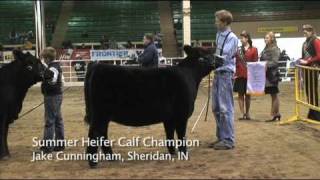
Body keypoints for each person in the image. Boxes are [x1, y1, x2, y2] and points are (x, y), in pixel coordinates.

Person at [209, 10, 238, 150]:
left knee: (225, 107)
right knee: (216, 108)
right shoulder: (218, 35)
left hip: (225, 74)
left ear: (225, 22)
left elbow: (224, 57)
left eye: (217, 20)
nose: (215, 22)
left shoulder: (232, 38)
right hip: (218, 73)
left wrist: (208, 60)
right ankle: (221, 137)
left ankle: (228, 140)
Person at [40, 47, 65, 153]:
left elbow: (53, 81)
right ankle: (59, 144)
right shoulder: (55, 66)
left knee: (49, 121)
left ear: (47, 58)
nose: (43, 60)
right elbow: (60, 81)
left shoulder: (52, 68)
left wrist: (46, 78)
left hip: (52, 96)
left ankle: (47, 147)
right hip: (57, 96)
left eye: (44, 58)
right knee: (58, 120)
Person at [234, 31, 258, 120]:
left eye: (243, 37)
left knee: (248, 95)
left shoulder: (254, 49)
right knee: (240, 94)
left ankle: (247, 113)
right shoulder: (238, 50)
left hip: (249, 75)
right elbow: (235, 62)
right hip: (240, 74)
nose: (241, 39)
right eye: (241, 37)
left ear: (247, 38)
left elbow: (255, 62)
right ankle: (241, 113)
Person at [299, 24, 320, 121]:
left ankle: (316, 114)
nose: (305, 32)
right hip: (306, 69)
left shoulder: (316, 40)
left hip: (313, 69)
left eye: (307, 30)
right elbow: (304, 56)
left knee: (313, 91)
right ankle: (312, 113)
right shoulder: (304, 43)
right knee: (308, 91)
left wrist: (307, 61)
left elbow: (319, 56)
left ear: (312, 31)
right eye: (304, 31)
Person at [260, 32, 281, 122]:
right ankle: (277, 114)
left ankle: (275, 114)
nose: (265, 39)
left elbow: (275, 62)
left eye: (267, 38)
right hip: (267, 75)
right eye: (265, 38)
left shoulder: (275, 48)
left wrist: (266, 64)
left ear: (272, 39)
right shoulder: (265, 49)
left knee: (274, 94)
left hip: (272, 75)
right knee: (273, 95)